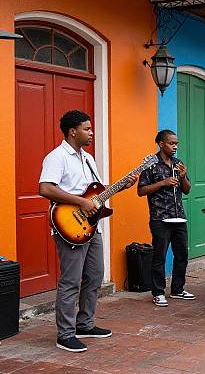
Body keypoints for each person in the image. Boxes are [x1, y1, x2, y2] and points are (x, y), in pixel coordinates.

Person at [39, 110, 137, 352]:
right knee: (70, 281)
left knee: (94, 276)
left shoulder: (89, 160)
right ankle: (65, 334)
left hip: (93, 227)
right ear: (73, 131)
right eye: (87, 129)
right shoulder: (57, 157)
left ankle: (85, 323)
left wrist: (122, 187)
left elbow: (95, 195)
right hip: (69, 226)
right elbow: (45, 188)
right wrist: (80, 202)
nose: (91, 133)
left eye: (91, 129)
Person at [138, 130, 195, 307]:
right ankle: (158, 292)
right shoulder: (151, 164)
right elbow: (141, 190)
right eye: (171, 143)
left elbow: (187, 190)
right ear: (161, 144)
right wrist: (162, 183)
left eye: (176, 143)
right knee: (159, 256)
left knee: (182, 255)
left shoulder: (179, 164)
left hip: (179, 217)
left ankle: (178, 289)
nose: (175, 146)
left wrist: (184, 177)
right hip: (160, 218)